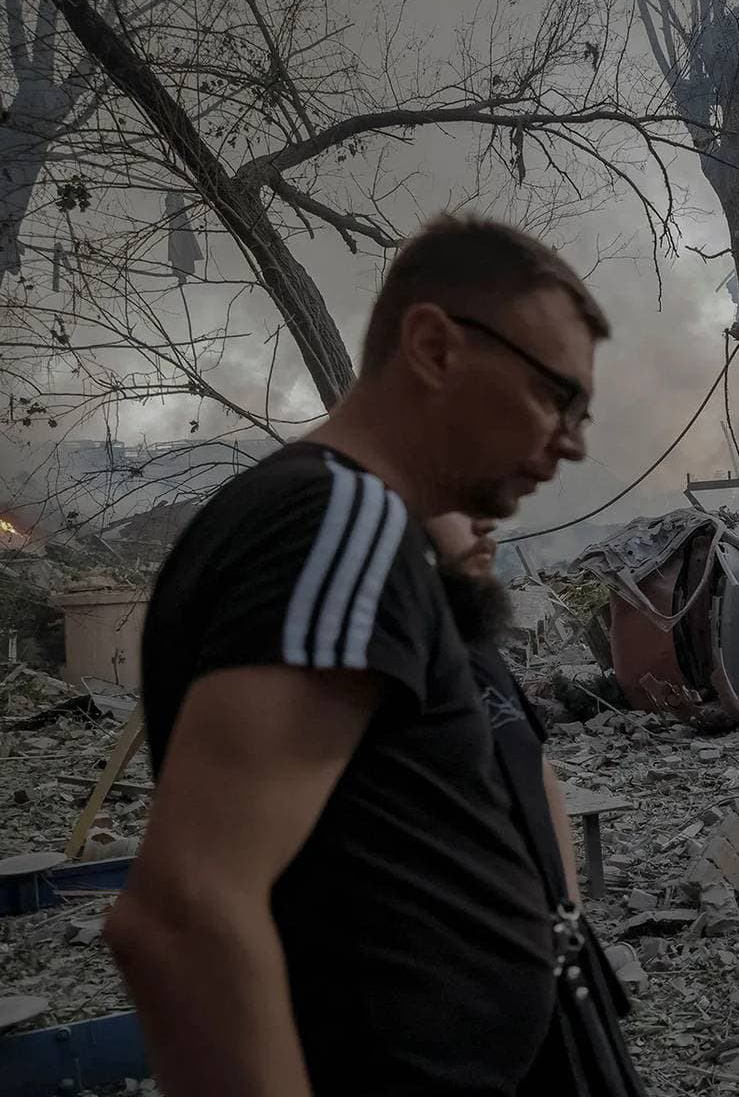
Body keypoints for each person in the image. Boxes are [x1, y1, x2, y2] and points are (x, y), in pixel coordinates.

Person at [116, 215, 608, 1097]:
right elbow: (185, 914)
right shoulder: (333, 522)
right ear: (433, 347)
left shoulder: (351, 533)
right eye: (554, 396)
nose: (573, 441)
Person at [423, 511, 645, 1096]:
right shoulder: (383, 659)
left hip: (553, 973)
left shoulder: (471, 644)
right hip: (463, 1000)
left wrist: (568, 908)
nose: (487, 527)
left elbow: (536, 769)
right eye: (461, 512)